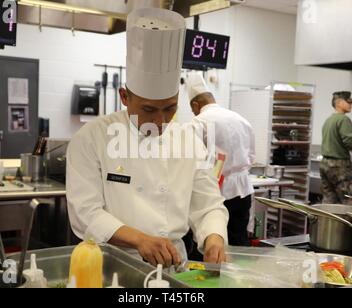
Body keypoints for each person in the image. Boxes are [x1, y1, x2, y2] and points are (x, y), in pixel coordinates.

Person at [66, 8, 229, 267]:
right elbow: (85, 214)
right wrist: (140, 239)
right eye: (149, 109)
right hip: (112, 264)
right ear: (124, 97)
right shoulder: (92, 138)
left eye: (170, 108)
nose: (160, 121)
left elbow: (208, 204)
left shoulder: (188, 141)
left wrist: (214, 237)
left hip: (174, 266)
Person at [186, 73, 256, 246]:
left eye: (192, 108)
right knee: (238, 240)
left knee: (213, 242)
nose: (193, 112)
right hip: (242, 190)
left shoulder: (197, 123)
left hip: (214, 192)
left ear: (195, 104)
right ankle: (241, 273)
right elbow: (252, 155)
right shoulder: (241, 119)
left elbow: (190, 161)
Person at [320, 91, 352, 204]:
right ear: (338, 103)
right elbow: (350, 143)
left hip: (325, 164)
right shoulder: (343, 120)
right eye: (348, 102)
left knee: (329, 200)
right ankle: (347, 222)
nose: (350, 105)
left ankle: (327, 222)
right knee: (348, 201)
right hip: (339, 166)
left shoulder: (329, 120)